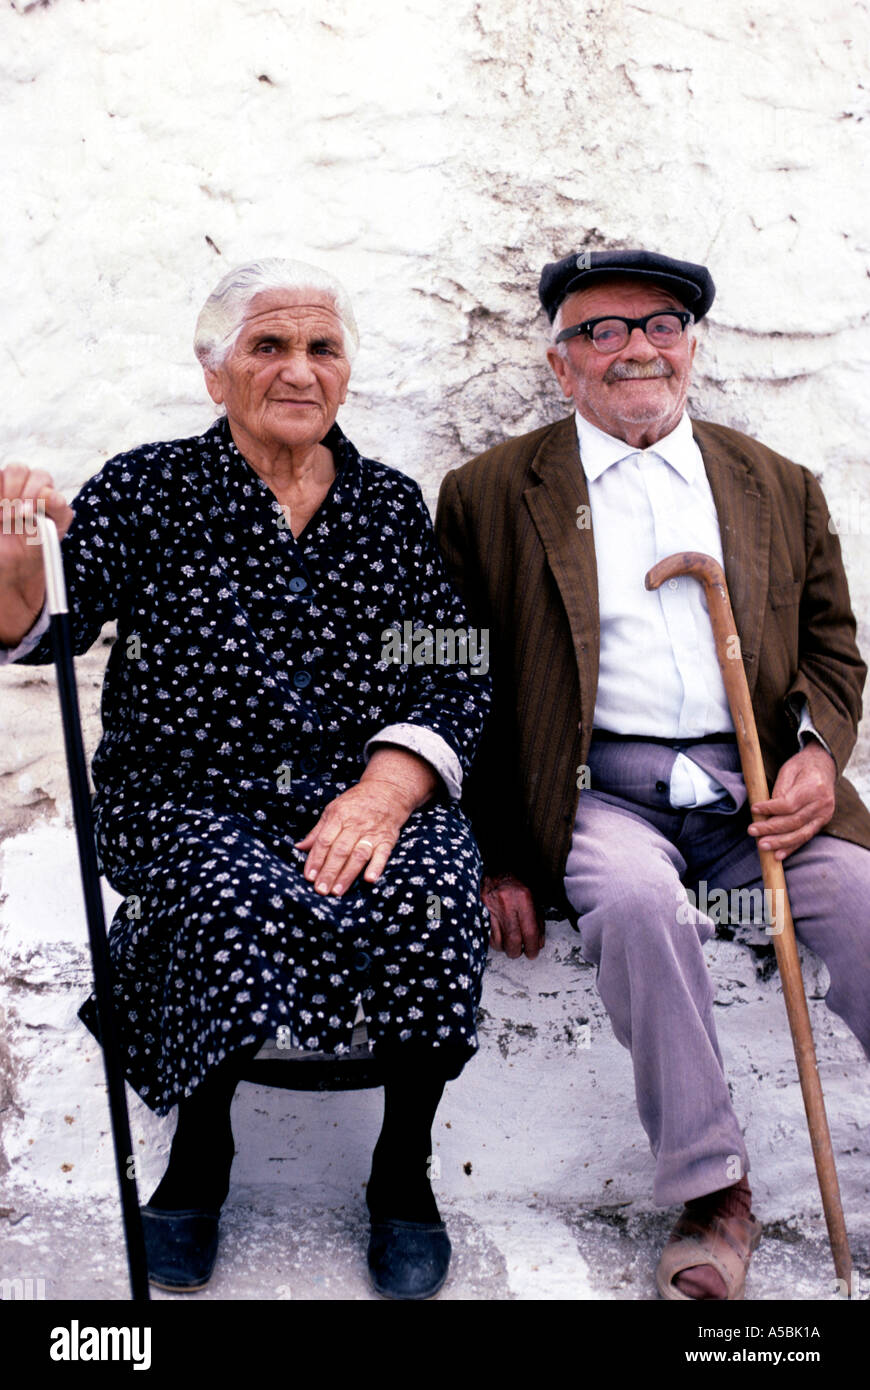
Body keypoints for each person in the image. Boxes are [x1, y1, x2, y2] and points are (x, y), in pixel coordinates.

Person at [0, 257, 491, 1300]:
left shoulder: (389, 506)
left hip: (358, 792)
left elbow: (447, 663)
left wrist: (389, 787)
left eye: (322, 347)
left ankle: (402, 1170)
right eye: (269, 346)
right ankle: (202, 1150)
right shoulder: (148, 487)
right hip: (186, 793)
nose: (299, 370)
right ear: (214, 370)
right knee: (227, 889)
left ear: (347, 372)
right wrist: (16, 547)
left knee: (440, 881)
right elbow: (46, 629)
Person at [434, 247, 870, 1301]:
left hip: (750, 790)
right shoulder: (491, 494)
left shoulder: (776, 484)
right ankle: (713, 1190)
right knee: (638, 907)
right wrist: (492, 850)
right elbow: (448, 668)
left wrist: (814, 753)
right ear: (560, 363)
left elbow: (833, 651)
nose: (636, 346)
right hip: (589, 792)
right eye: (602, 329)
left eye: (661, 324)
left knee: (863, 898)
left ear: (690, 346)